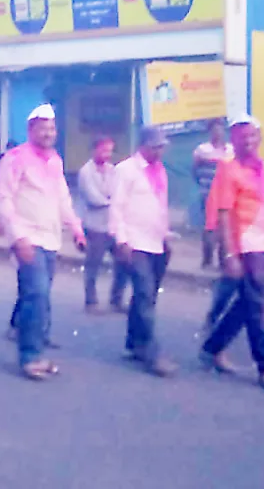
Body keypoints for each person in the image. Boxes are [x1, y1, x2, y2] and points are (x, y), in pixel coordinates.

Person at [0, 104, 85, 380]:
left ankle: (32, 342)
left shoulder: (55, 161)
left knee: (36, 295)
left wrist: (77, 229)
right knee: (37, 293)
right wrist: (17, 236)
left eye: (51, 129)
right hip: (27, 238)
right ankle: (30, 356)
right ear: (30, 130)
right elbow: (4, 199)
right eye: (42, 128)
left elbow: (62, 199)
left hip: (50, 238)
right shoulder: (15, 158)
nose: (48, 133)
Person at [200, 115, 264, 393]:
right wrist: (229, 255)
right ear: (233, 141)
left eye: (253, 136)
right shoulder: (229, 169)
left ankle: (213, 347)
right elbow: (224, 213)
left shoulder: (262, 168)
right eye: (242, 137)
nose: (248, 141)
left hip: (262, 245)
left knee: (248, 303)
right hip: (243, 246)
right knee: (256, 306)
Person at [110, 126, 177, 377]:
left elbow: (161, 207)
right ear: (144, 146)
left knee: (146, 296)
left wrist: (166, 235)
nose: (160, 151)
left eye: (162, 147)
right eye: (156, 147)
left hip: (156, 242)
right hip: (134, 241)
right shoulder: (125, 170)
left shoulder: (160, 172)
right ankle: (153, 353)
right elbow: (116, 207)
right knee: (145, 293)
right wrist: (121, 240)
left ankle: (135, 343)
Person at [78, 135, 130, 314]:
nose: (107, 154)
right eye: (104, 150)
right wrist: (114, 201)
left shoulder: (112, 170)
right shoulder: (86, 172)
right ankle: (90, 302)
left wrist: (113, 199)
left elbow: (119, 192)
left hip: (113, 226)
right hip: (94, 226)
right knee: (93, 265)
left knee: (124, 262)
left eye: (109, 150)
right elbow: (93, 199)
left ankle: (116, 299)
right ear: (94, 150)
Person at [194, 120, 235, 269]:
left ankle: (223, 261)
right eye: (215, 130)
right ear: (209, 132)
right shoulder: (202, 150)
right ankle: (207, 260)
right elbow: (195, 171)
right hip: (207, 193)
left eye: (221, 129)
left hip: (226, 195)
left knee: (226, 226)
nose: (218, 133)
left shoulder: (231, 150)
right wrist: (206, 185)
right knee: (209, 227)